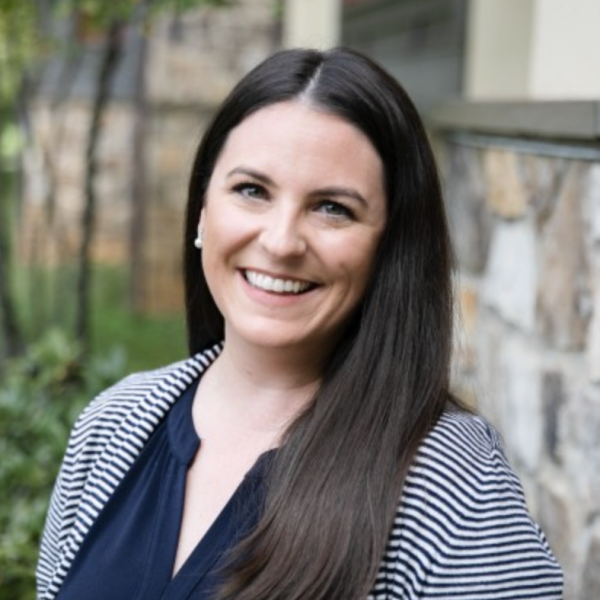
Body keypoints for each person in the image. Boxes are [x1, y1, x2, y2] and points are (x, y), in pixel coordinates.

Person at [36, 47, 563, 600]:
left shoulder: (450, 480)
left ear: (390, 248)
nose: (282, 241)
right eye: (252, 191)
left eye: (333, 207)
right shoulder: (111, 426)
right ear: (202, 211)